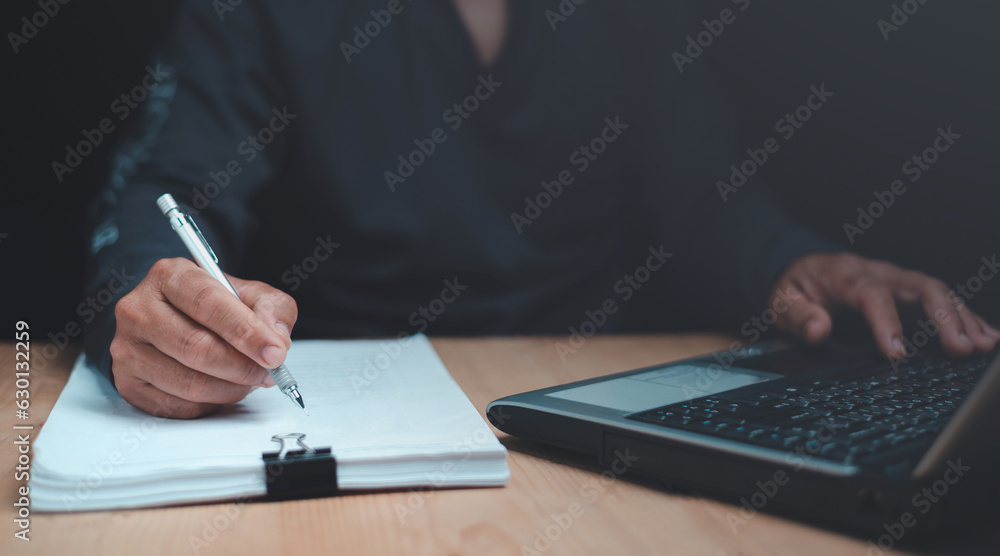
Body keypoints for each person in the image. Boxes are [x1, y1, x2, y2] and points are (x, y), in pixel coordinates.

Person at [83, 0, 998, 419]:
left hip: (583, 407)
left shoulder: (632, 16)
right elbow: (164, 200)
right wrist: (154, 301)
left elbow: (708, 197)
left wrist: (786, 262)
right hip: (346, 409)